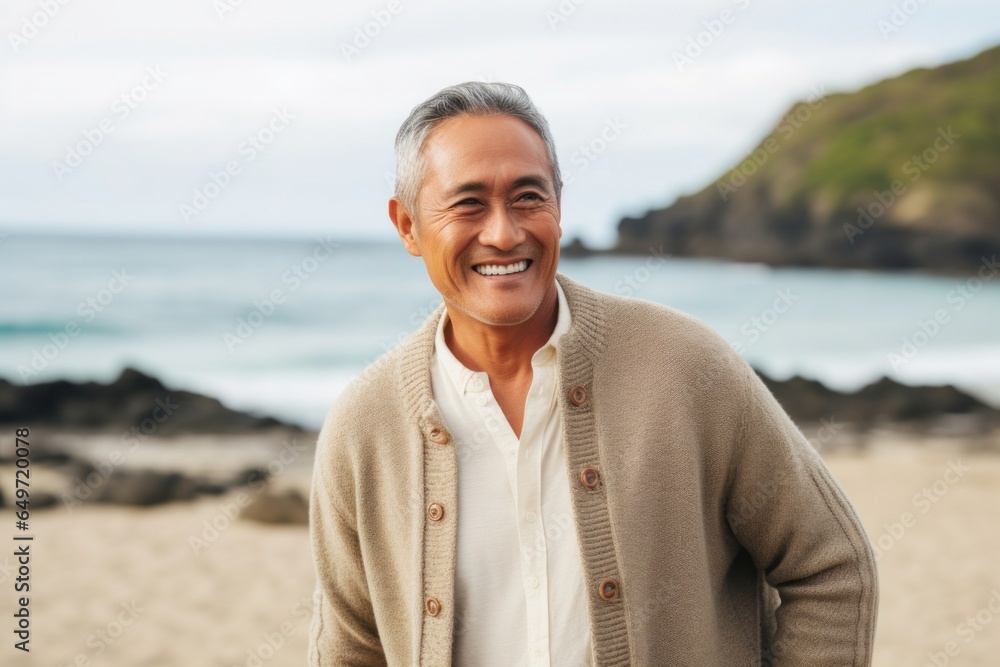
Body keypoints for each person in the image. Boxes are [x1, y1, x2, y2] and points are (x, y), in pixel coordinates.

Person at [307, 81, 878, 666]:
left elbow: (831, 565)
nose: (504, 232)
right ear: (407, 226)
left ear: (559, 205)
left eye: (528, 196)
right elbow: (351, 648)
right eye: (469, 202)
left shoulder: (687, 369)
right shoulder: (363, 426)